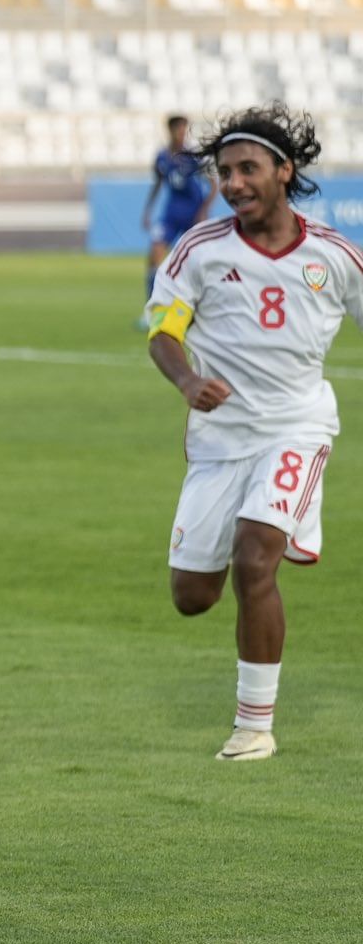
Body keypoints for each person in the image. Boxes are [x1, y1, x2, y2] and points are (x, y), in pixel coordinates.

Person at [144, 103, 361, 762]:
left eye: (247, 169)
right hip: (220, 440)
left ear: (283, 171)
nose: (234, 183)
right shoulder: (200, 251)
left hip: (298, 427)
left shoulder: (333, 255)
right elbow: (163, 335)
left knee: (256, 557)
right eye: (226, 171)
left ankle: (254, 727)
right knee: (192, 596)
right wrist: (187, 383)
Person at [142, 115, 215, 299]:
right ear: (171, 131)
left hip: (193, 214)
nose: (183, 134)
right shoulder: (161, 157)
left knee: (197, 261)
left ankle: (199, 304)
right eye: (180, 129)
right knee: (154, 256)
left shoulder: (193, 155)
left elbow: (214, 184)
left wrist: (204, 210)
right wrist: (148, 211)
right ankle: (152, 307)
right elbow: (157, 183)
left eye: (185, 129)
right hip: (172, 213)